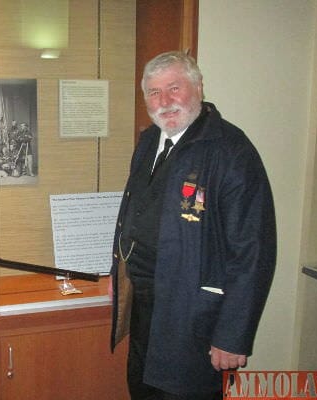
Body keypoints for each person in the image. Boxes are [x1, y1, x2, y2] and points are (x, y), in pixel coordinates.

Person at [109, 51, 276, 400]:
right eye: (154, 92)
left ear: (198, 87)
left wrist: (232, 335)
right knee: (142, 390)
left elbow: (253, 252)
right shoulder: (148, 142)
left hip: (194, 317)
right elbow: (135, 218)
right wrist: (118, 276)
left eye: (174, 88)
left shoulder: (231, 151)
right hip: (146, 308)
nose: (164, 101)